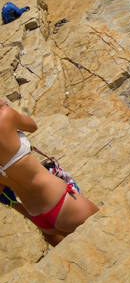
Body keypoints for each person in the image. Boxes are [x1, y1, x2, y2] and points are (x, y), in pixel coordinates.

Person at [0, 100, 99, 246]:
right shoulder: (5, 116)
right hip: (61, 202)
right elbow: (32, 126)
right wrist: (7, 108)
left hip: (38, 216)